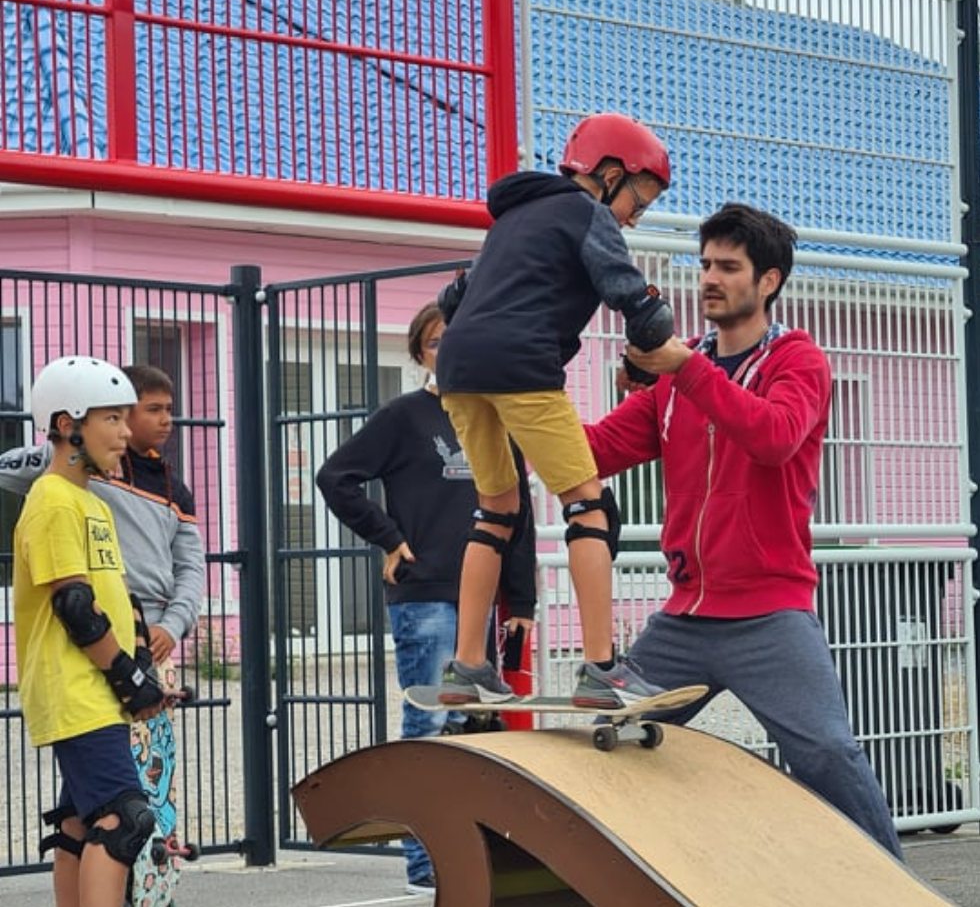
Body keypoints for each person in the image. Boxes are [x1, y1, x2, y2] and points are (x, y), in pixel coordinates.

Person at [584, 202, 903, 859]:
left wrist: (684, 369)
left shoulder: (797, 360)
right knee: (606, 742)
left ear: (768, 282)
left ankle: (899, 889)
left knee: (827, 754)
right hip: (684, 620)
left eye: (728, 267)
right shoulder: (678, 378)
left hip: (769, 614)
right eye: (704, 265)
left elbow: (774, 438)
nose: (709, 278)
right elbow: (595, 451)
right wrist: (518, 409)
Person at [434, 112, 673, 708]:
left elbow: (451, 299)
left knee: (496, 510)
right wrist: (646, 352)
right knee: (588, 506)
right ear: (610, 174)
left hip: (458, 368)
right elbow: (637, 303)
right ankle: (601, 669)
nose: (633, 218)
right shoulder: (587, 213)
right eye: (636, 202)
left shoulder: (514, 218)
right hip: (522, 365)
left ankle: (466, 667)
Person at [316, 301, 537, 896]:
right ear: (419, 352)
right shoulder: (405, 417)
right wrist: (388, 538)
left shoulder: (493, 416)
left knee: (476, 732)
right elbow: (335, 476)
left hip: (482, 604)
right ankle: (424, 866)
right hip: (428, 597)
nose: (446, 349)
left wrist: (521, 602)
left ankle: (475, 857)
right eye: (435, 341)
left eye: (456, 338)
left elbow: (518, 514)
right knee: (430, 724)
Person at [0, 363, 206, 899]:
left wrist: (140, 666)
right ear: (69, 426)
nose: (124, 431)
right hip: (78, 688)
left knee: (79, 820)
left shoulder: (91, 500)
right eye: (112, 418)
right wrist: (125, 675)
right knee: (125, 818)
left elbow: (115, 600)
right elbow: (75, 604)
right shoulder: (52, 500)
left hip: (96, 689)